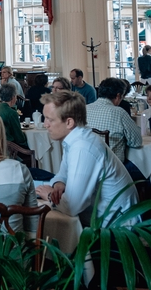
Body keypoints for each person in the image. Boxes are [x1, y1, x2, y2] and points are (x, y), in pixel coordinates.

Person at [36, 91, 138, 225]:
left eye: (50, 119)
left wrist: (49, 195)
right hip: (102, 219)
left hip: (116, 229)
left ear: (69, 122)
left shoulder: (82, 147)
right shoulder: (76, 139)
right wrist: (58, 184)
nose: (45, 124)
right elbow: (62, 174)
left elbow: (72, 207)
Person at [86, 77, 142, 170]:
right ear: (118, 96)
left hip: (87, 164)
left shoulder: (84, 109)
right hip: (112, 169)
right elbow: (136, 142)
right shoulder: (119, 112)